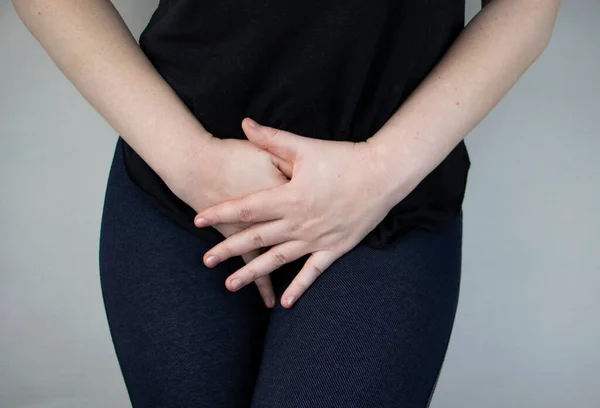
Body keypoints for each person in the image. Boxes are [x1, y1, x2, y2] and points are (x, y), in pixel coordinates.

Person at [13, 0, 561, 406]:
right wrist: (190, 163)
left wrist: (377, 173)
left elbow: (528, 8)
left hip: (382, 201)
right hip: (185, 188)